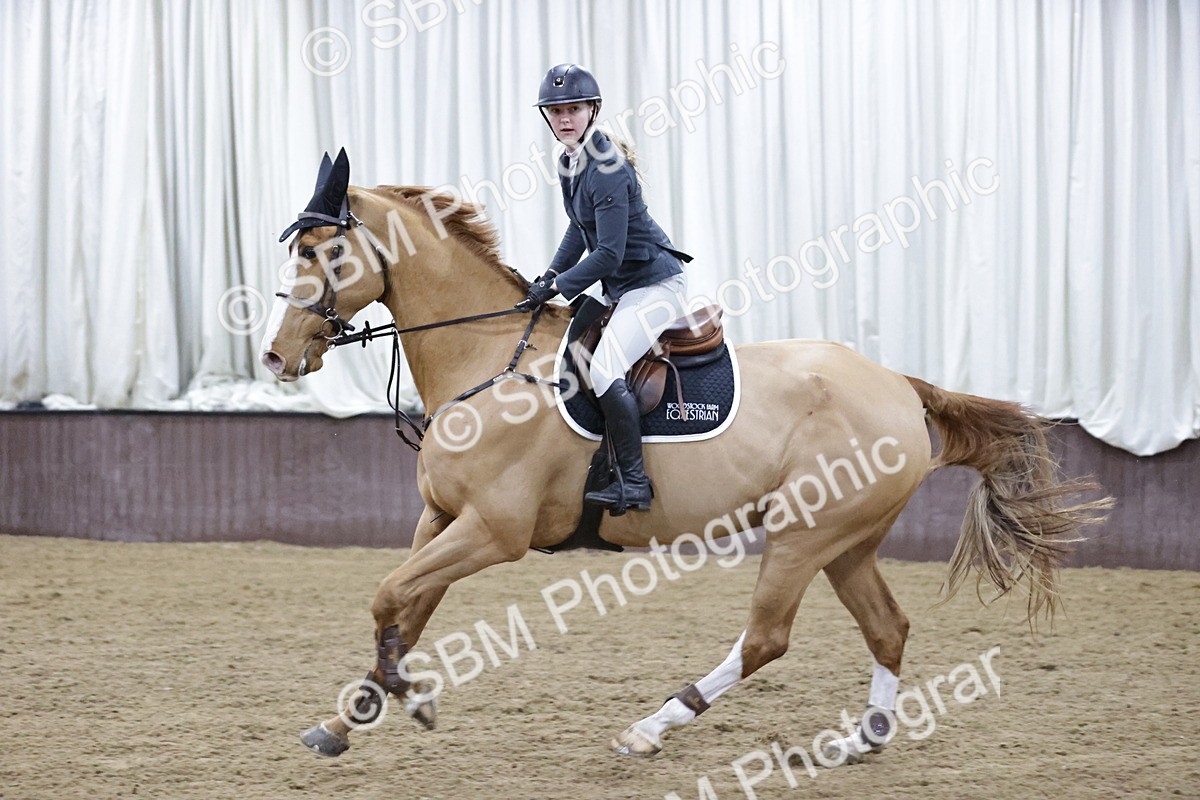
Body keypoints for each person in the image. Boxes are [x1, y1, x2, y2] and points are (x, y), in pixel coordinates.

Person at [517, 63, 692, 513]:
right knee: (565, 351)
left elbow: (610, 253)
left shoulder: (607, 168)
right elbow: (579, 230)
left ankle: (634, 482)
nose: (565, 118)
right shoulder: (569, 162)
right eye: (555, 111)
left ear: (592, 110)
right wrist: (547, 277)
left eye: (574, 108)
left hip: (654, 286)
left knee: (603, 368)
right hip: (620, 288)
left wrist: (558, 287)